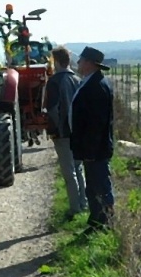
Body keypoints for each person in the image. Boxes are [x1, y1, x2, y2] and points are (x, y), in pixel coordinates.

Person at [69, 45, 115, 230]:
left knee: (101, 186)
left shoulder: (97, 86)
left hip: (95, 149)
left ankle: (107, 222)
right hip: (91, 148)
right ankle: (97, 221)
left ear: (89, 63)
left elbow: (97, 123)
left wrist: (89, 149)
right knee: (93, 186)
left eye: (80, 60)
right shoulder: (90, 81)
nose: (78, 63)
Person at [43, 46, 87, 218]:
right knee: (79, 168)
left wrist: (52, 127)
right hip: (78, 131)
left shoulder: (54, 82)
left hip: (63, 132)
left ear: (57, 61)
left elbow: (53, 109)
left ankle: (74, 208)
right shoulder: (77, 79)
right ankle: (83, 203)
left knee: (69, 173)